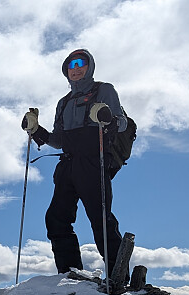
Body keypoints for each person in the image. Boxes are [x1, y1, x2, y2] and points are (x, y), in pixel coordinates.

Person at [21, 49, 128, 277]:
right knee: (56, 218)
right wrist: (37, 131)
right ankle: (70, 274)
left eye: (81, 63)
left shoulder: (103, 90)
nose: (76, 68)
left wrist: (107, 118)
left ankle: (118, 278)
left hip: (93, 162)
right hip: (68, 164)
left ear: (90, 67)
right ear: (66, 71)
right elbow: (59, 140)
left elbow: (122, 124)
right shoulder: (64, 102)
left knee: (100, 219)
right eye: (71, 65)